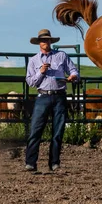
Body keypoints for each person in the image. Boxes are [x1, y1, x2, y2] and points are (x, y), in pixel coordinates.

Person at [24, 29, 79, 172]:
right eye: (43, 40)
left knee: (58, 131)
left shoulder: (61, 56)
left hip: (59, 95)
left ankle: (54, 163)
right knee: (36, 130)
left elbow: (74, 70)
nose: (45, 42)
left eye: (47, 40)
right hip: (43, 96)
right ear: (39, 43)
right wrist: (40, 72)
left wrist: (73, 76)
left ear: (50, 42)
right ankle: (31, 162)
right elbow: (30, 82)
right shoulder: (34, 60)